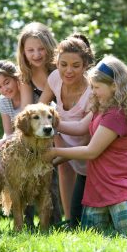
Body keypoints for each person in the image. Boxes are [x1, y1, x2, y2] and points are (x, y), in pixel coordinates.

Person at [44, 55, 127, 233]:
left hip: (122, 181)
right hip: (100, 183)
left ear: (114, 87)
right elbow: (79, 127)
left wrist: (55, 151)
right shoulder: (101, 106)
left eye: (96, 87)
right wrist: (49, 123)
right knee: (91, 234)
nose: (92, 92)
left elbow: (91, 151)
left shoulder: (116, 114)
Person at [39, 33, 94, 228]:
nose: (68, 71)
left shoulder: (93, 92)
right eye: (63, 64)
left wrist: (53, 125)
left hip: (90, 155)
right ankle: (69, 220)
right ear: (57, 63)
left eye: (75, 66)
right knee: (64, 173)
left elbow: (83, 130)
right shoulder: (54, 78)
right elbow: (40, 107)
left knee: (95, 218)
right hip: (64, 146)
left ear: (86, 65)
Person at [16, 22, 62, 226]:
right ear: (23, 52)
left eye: (41, 49)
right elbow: (27, 108)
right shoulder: (25, 76)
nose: (36, 54)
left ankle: (57, 219)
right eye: (30, 50)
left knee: (53, 173)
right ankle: (26, 220)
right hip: (44, 130)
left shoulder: (60, 69)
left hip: (64, 125)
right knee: (28, 158)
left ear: (50, 47)